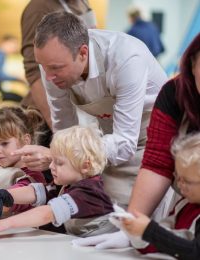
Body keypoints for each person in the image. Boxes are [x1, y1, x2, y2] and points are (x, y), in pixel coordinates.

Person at [14, 11, 167, 209]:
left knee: (134, 218)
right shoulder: (52, 66)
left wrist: (59, 156)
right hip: (109, 143)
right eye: (43, 67)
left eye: (56, 68)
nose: (49, 77)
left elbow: (126, 142)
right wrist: (58, 156)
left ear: (83, 53)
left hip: (155, 141)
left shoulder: (126, 57)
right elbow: (64, 129)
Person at [71, 32, 200, 250]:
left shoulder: (129, 57)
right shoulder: (174, 94)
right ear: (192, 63)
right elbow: (158, 163)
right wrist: (131, 227)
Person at [0, 126, 114, 237]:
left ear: (85, 166)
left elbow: (48, 213)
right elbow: (37, 192)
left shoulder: (90, 191)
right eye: (52, 160)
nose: (51, 166)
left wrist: (5, 223)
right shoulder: (66, 182)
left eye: (59, 163)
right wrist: (4, 195)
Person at [121, 133, 200, 259]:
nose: (179, 185)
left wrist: (149, 231)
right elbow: (164, 239)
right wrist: (137, 234)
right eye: (177, 177)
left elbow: (195, 252)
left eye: (186, 180)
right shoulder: (184, 204)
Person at [21, 0, 95, 128]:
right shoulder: (38, 8)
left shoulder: (83, 3)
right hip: (44, 115)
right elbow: (34, 71)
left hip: (79, 109)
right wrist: (56, 128)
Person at [0, 35, 24, 103]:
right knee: (21, 99)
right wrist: (18, 78)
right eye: (13, 44)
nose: (15, 48)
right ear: (5, 43)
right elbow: (0, 75)